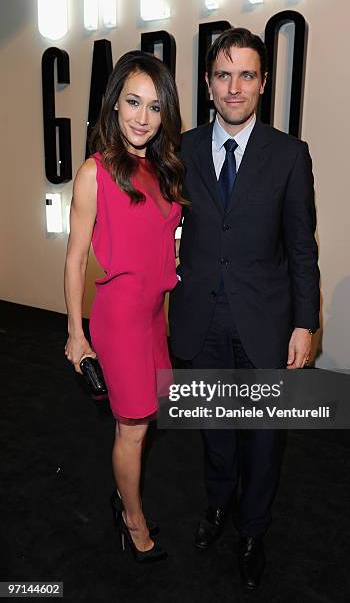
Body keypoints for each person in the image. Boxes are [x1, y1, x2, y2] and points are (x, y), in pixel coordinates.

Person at [169, 28, 320, 589]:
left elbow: (303, 247)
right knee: (214, 426)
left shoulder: (289, 155)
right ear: (209, 85)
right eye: (224, 75)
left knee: (261, 433)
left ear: (262, 85)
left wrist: (305, 322)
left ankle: (254, 527)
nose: (235, 87)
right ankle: (216, 507)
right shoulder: (180, 149)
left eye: (247, 75)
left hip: (265, 321)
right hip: (200, 317)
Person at [64, 50, 184, 563]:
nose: (142, 117)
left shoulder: (162, 169)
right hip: (119, 321)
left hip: (155, 318)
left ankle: (124, 498)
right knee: (132, 427)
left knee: (144, 420)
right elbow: (74, 262)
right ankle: (132, 521)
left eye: (154, 107)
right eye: (132, 102)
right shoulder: (95, 174)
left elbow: (163, 238)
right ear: (114, 106)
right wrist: (76, 334)